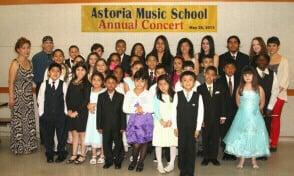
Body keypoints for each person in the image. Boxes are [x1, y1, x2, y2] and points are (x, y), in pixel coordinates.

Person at [224, 66, 270, 169]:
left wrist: (257, 110)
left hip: (255, 117)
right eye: (245, 75)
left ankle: (254, 160)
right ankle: (242, 160)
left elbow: (262, 102)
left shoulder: (259, 88)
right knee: (242, 136)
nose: (248, 77)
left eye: (250, 75)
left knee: (254, 136)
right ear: (242, 77)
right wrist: (244, 112)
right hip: (242, 116)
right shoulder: (240, 88)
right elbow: (238, 102)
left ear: (254, 76)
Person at [8, 37, 38, 154]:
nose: (27, 50)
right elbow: (10, 82)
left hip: (29, 97)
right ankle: (19, 147)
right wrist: (11, 97)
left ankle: (30, 146)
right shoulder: (15, 63)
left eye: (28, 48)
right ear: (18, 49)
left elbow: (30, 80)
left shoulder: (30, 62)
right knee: (19, 122)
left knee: (29, 121)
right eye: (24, 48)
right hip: (18, 97)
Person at [172, 71, 204, 176]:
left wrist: (198, 129)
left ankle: (190, 170)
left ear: (194, 82)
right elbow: (173, 112)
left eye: (190, 80)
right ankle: (182, 169)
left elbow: (200, 113)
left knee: (191, 149)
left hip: (192, 128)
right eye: (185, 80)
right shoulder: (177, 95)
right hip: (180, 127)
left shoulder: (198, 96)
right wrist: (175, 127)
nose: (187, 82)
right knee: (182, 148)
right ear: (181, 82)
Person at [123, 69, 153, 172]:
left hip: (146, 121)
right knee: (135, 144)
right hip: (134, 121)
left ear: (145, 82)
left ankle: (141, 162)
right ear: (134, 81)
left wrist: (143, 109)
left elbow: (153, 108)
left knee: (144, 142)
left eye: (142, 81)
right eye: (137, 80)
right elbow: (125, 108)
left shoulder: (148, 93)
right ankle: (134, 160)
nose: (139, 83)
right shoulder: (129, 93)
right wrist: (136, 109)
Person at [37, 63, 68, 163]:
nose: (55, 73)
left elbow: (66, 100)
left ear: (61, 73)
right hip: (47, 115)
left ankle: (61, 154)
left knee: (61, 136)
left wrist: (65, 113)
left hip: (61, 116)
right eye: (53, 71)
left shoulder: (63, 84)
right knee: (48, 136)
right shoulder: (44, 84)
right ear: (49, 73)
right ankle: (49, 154)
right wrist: (41, 113)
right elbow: (40, 99)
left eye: (57, 71)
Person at [197, 66, 226, 166]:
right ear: (204, 74)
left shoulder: (219, 87)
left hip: (217, 117)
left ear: (215, 77)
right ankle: (206, 157)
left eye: (212, 75)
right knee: (205, 138)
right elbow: (199, 105)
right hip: (205, 118)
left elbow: (222, 102)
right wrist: (200, 119)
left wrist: (223, 116)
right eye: (208, 74)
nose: (210, 76)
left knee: (215, 138)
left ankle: (214, 157)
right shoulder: (200, 88)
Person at [97, 75, 126, 169]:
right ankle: (108, 161)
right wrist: (99, 126)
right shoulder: (101, 96)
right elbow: (99, 112)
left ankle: (118, 161)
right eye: (108, 82)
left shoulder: (121, 96)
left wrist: (123, 126)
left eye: (113, 82)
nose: (110, 84)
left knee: (118, 143)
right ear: (105, 83)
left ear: (116, 84)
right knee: (106, 143)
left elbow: (122, 112)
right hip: (105, 125)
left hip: (117, 125)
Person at [66, 62, 91, 164]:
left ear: (86, 71)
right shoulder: (72, 82)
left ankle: (83, 155)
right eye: (78, 70)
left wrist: (77, 112)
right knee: (74, 134)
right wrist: (69, 110)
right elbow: (67, 97)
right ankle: (74, 154)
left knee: (82, 134)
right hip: (72, 113)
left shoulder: (87, 84)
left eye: (82, 70)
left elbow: (85, 100)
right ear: (74, 71)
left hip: (82, 112)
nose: (80, 72)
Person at [267, 36, 289, 152]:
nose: (271, 48)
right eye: (269, 45)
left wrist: (275, 94)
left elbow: (285, 80)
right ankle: (266, 141)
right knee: (266, 119)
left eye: (274, 45)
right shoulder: (264, 59)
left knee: (275, 119)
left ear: (278, 46)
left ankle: (274, 143)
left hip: (279, 95)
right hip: (266, 95)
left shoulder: (284, 60)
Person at [254, 54, 279, 160]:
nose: (262, 62)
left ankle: (263, 151)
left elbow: (275, 91)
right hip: (253, 106)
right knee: (254, 129)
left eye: (264, 60)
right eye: (259, 60)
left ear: (268, 62)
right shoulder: (252, 73)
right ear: (256, 62)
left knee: (265, 129)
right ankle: (254, 150)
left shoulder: (272, 74)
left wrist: (270, 107)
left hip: (267, 106)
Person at [153, 75, 177, 173]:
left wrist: (171, 120)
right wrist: (161, 120)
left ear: (169, 84)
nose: (163, 86)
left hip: (172, 123)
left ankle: (171, 163)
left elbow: (176, 109)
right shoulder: (157, 96)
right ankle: (159, 163)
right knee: (159, 143)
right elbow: (156, 110)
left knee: (173, 143)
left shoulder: (175, 95)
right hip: (160, 123)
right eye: (160, 84)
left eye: (165, 84)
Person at [217, 61, 239, 161]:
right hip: (223, 111)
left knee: (234, 131)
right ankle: (226, 152)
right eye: (227, 67)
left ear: (235, 69)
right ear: (223, 69)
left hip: (236, 111)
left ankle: (232, 151)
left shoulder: (240, 80)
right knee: (224, 132)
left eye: (232, 67)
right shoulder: (218, 81)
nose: (230, 69)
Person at [84, 72, 106, 165]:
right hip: (91, 116)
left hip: (101, 116)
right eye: (94, 80)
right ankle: (93, 154)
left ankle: (102, 154)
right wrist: (88, 105)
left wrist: (95, 104)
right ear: (91, 81)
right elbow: (86, 101)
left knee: (101, 135)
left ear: (102, 81)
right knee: (93, 133)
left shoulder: (104, 91)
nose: (96, 82)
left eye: (99, 80)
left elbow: (106, 104)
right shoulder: (89, 90)